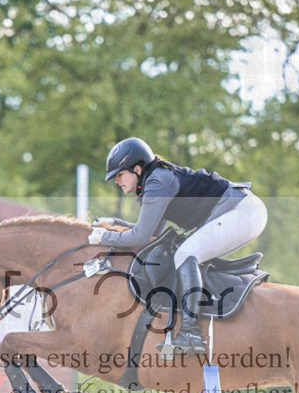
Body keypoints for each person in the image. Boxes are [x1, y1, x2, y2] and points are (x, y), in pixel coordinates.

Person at [89, 137, 268, 355]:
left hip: (242, 211)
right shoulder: (154, 180)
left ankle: (191, 334)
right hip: (240, 211)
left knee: (185, 254)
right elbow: (151, 232)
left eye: (119, 174)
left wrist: (103, 237)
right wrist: (116, 224)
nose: (116, 180)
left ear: (137, 168)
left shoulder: (158, 181)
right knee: (187, 252)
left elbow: (140, 236)